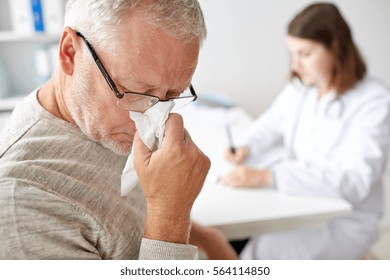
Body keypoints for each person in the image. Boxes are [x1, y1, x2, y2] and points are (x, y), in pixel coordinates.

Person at [0, 0, 237, 260]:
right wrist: (170, 214)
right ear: (70, 53)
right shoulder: (21, 205)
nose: (152, 115)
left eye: (172, 94)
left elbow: (131, 215)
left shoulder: (95, 119)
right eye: (138, 92)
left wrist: (208, 239)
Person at [222, 2, 390, 259]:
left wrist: (269, 177)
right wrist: (247, 145)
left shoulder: (374, 101)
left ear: (335, 48)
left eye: (305, 54)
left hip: (344, 218)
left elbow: (355, 181)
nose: (295, 64)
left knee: (263, 253)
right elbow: (271, 123)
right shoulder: (302, 87)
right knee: (235, 232)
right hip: (301, 200)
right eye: (292, 54)